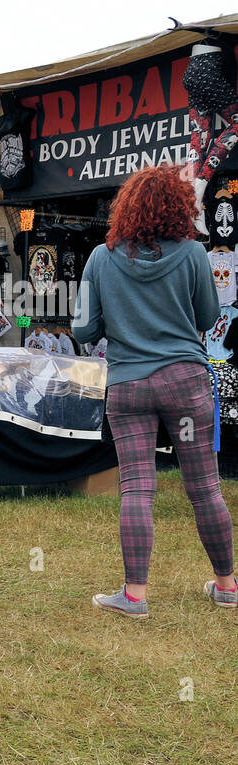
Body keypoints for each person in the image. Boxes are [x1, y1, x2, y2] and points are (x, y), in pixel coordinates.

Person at [74, 165, 234, 617]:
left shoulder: (99, 259)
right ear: (181, 207)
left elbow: (83, 326)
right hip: (185, 381)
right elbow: (207, 318)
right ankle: (227, 586)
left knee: (137, 489)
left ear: (126, 207)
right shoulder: (195, 255)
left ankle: (135, 596)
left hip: (129, 385)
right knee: (204, 487)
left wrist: (120, 319)